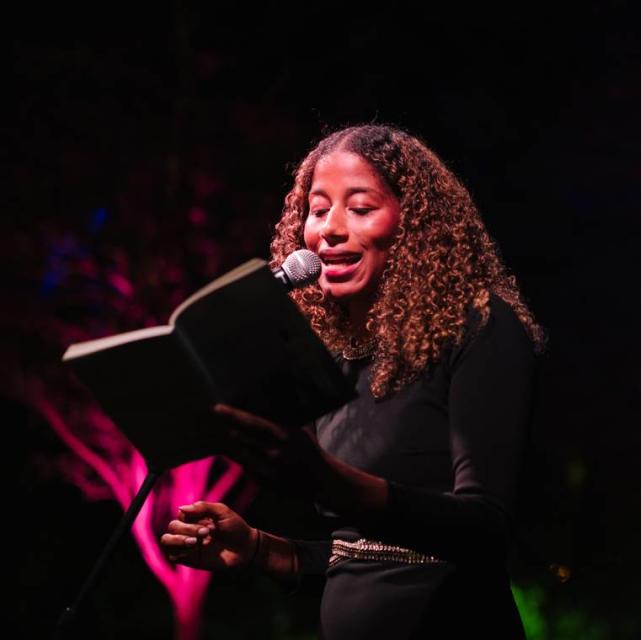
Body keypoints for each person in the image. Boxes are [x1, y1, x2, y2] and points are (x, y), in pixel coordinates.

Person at [160, 124, 545, 639]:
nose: (330, 230)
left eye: (360, 208)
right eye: (319, 211)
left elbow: (484, 530)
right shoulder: (334, 360)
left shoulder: (480, 327)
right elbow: (369, 556)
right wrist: (259, 549)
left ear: (417, 226)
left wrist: (326, 478)